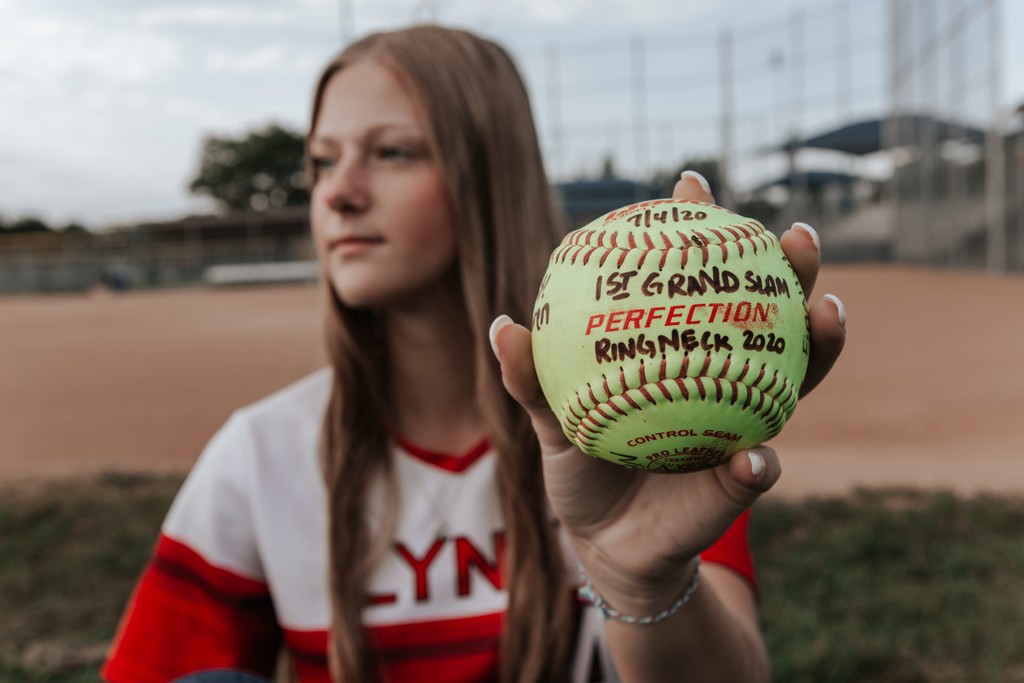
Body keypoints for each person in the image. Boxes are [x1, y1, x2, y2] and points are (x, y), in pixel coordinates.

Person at [102, 24, 846, 683]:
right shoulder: (262, 455)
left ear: (488, 175)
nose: (339, 194)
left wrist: (645, 586)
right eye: (323, 161)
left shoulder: (658, 423)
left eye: (392, 152)